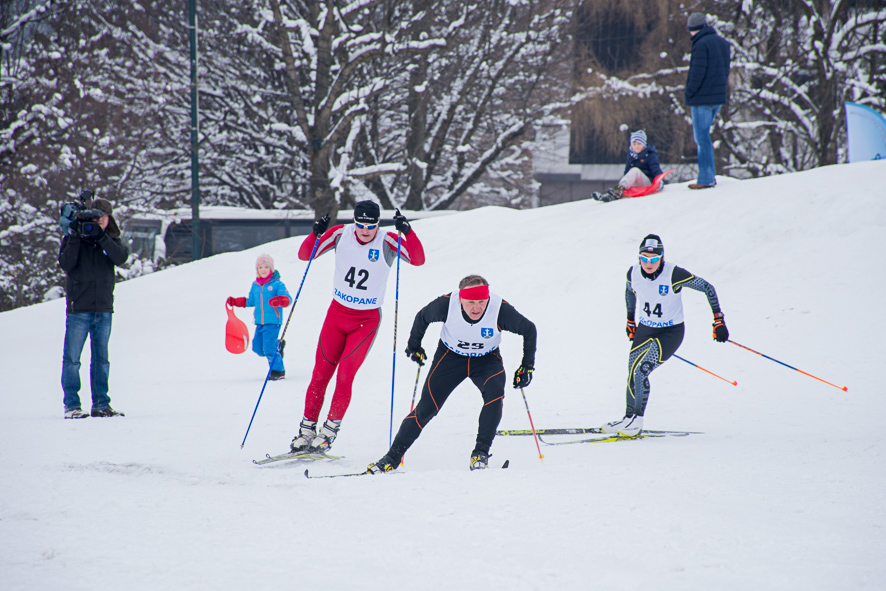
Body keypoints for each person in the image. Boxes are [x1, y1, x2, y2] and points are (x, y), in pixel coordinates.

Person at [289, 201, 425, 453]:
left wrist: (407, 231)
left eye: (370, 225)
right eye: (360, 224)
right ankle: (306, 430)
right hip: (337, 315)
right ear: (354, 222)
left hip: (366, 321)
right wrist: (315, 233)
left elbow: (417, 260)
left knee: (345, 375)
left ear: (377, 224)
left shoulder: (386, 241)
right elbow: (305, 255)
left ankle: (329, 431)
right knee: (320, 374)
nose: (364, 230)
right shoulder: (341, 234)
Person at [366, 274, 537, 473]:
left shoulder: (500, 309)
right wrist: (414, 346)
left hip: (487, 360)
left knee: (495, 393)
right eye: (471, 302)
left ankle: (480, 454)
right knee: (426, 409)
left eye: (481, 302)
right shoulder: (447, 305)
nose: (476, 308)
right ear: (460, 299)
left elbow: (529, 329)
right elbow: (422, 317)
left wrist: (527, 366)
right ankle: (391, 458)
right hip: (450, 358)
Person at [602, 234, 729, 436]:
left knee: (641, 371)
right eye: (644, 258)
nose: (649, 263)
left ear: (661, 257)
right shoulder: (633, 273)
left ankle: (638, 421)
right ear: (639, 257)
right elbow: (629, 292)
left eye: (654, 259)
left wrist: (718, 319)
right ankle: (628, 418)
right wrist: (630, 320)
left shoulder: (674, 274)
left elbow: (707, 287)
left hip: (670, 332)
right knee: (631, 371)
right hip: (645, 329)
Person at [58, 197, 129, 419]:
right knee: (72, 359)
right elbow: (66, 264)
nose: (98, 222)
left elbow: (121, 257)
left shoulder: (112, 239)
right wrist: (76, 236)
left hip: (104, 308)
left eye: (102, 218)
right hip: (79, 307)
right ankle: (72, 406)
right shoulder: (73, 236)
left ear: (109, 218)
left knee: (101, 359)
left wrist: (102, 238)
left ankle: (101, 405)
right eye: (95, 218)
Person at [684, 12, 731, 190]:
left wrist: (688, 93)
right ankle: (709, 176)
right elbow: (725, 71)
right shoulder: (722, 43)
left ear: (693, 30)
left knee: (702, 138)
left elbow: (696, 74)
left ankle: (705, 178)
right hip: (717, 98)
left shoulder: (700, 44)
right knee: (704, 136)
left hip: (701, 99)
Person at [227, 254, 291, 380]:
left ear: (271, 269)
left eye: (266, 267)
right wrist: (235, 301)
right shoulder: (255, 285)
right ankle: (278, 345)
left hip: (273, 322)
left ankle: (278, 371)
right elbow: (251, 301)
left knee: (268, 349)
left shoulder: (277, 284)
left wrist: (279, 300)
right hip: (260, 322)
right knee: (258, 348)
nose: (263, 270)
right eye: (260, 267)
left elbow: (287, 299)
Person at [593, 130, 664, 202]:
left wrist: (660, 181)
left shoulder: (650, 154)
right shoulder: (631, 155)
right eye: (634, 144)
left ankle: (618, 191)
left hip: (648, 183)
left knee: (635, 170)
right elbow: (627, 172)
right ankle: (612, 194)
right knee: (631, 173)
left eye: (639, 144)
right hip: (635, 183)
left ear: (643, 144)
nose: (636, 146)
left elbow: (656, 169)